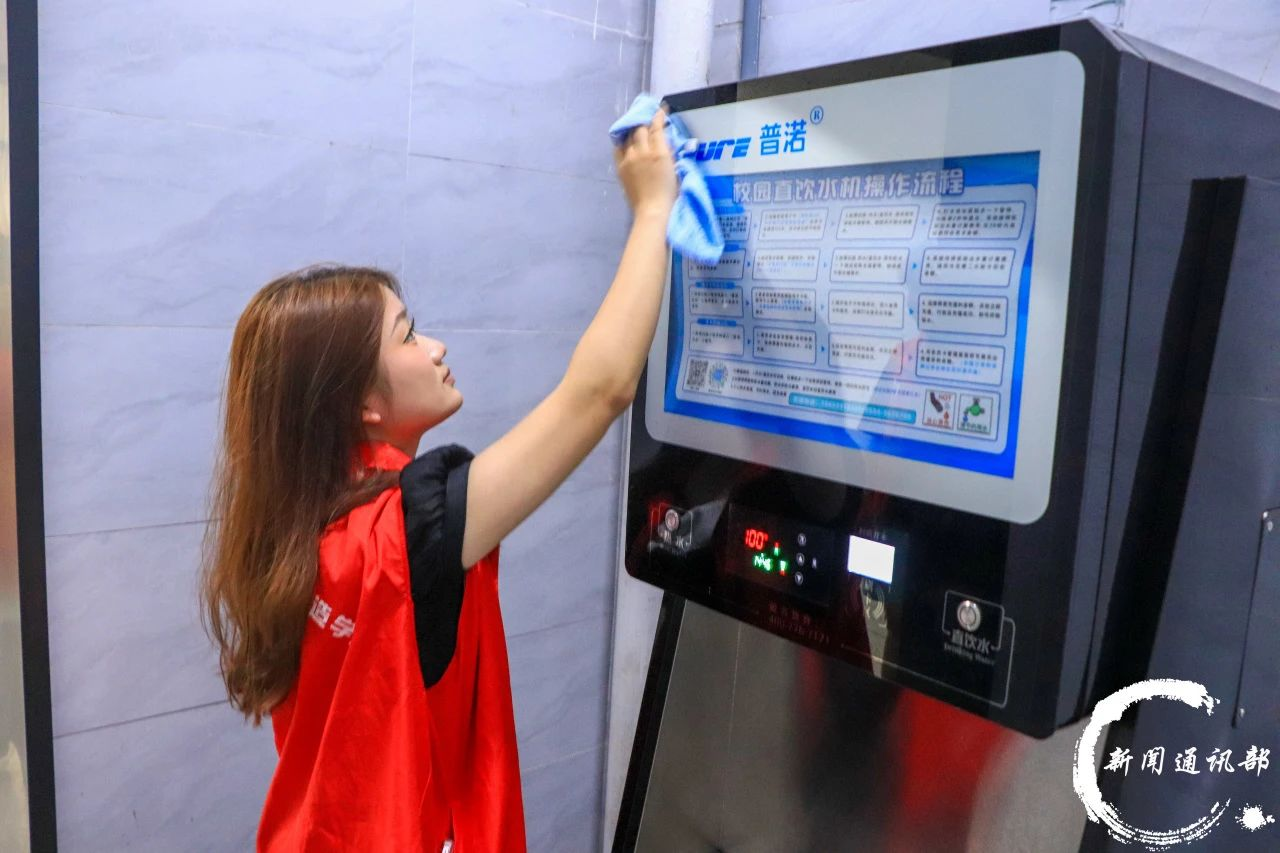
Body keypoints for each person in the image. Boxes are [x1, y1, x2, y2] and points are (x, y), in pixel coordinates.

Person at [199, 108, 678, 852]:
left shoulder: (298, 525)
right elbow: (601, 390)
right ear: (362, 404)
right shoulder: (411, 531)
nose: (437, 346)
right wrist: (653, 210)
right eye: (409, 335)